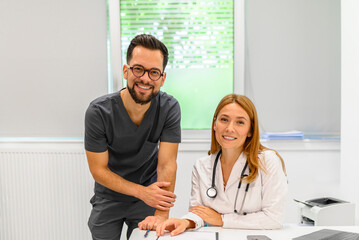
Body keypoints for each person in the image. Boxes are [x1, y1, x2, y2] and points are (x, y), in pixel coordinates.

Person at [84, 34, 181, 240]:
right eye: (138, 69)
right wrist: (142, 192)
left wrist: (161, 214)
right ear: (126, 71)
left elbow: (167, 165)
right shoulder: (99, 112)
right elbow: (98, 170)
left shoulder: (169, 108)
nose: (145, 78)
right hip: (109, 196)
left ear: (162, 79)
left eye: (154, 72)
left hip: (148, 198)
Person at [155, 94, 288, 237]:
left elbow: (273, 219)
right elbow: (199, 213)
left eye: (240, 122)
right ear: (214, 124)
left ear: (250, 130)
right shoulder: (201, 166)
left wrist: (222, 219)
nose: (230, 128)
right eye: (224, 120)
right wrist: (186, 222)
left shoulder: (268, 162)